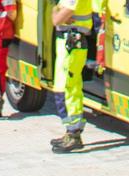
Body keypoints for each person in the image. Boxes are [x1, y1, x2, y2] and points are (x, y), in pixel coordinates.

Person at [45, 0, 97, 153]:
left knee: (66, 88)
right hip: (71, 43)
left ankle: (73, 134)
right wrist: (58, 12)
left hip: (72, 44)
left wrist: (56, 11)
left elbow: (56, 19)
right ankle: (71, 132)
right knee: (70, 87)